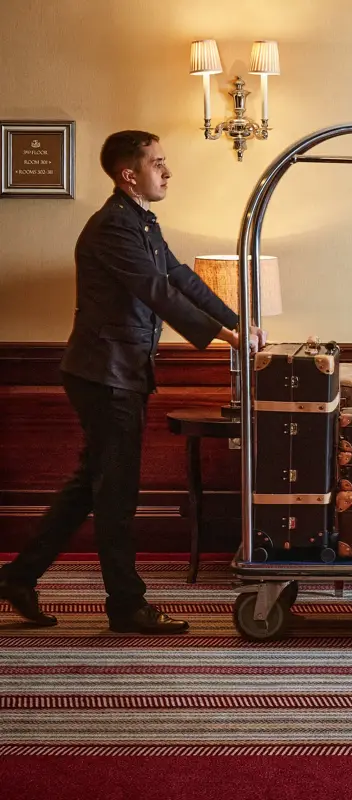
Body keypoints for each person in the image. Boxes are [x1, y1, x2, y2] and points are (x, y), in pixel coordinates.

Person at [0, 130, 266, 635]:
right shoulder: (112, 227)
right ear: (130, 174)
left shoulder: (140, 221)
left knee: (92, 485)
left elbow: (181, 277)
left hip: (119, 372)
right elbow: (156, 291)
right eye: (157, 163)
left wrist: (240, 320)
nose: (167, 171)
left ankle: (17, 577)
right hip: (105, 375)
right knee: (116, 494)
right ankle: (126, 605)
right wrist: (228, 337)